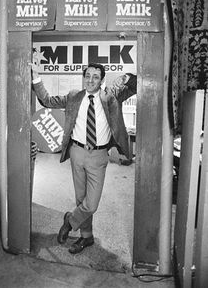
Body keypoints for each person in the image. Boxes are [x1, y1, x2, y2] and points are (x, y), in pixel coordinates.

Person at [31, 62, 137, 254]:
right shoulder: (74, 97)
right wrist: (36, 77)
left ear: (102, 80)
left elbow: (137, 85)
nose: (90, 80)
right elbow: (47, 100)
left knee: (91, 203)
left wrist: (124, 77)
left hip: (98, 155)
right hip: (77, 153)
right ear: (83, 77)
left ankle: (70, 221)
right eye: (87, 76)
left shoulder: (111, 97)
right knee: (81, 199)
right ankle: (86, 237)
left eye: (96, 77)